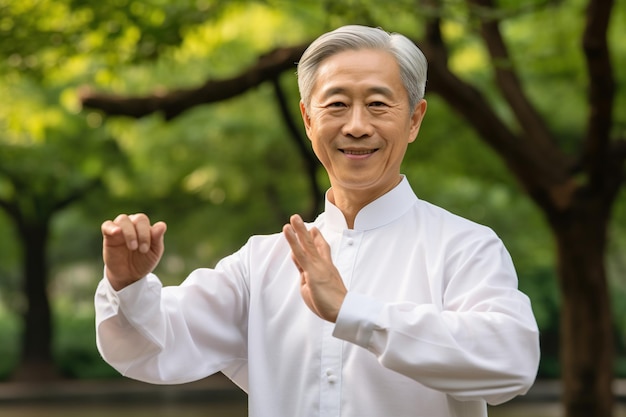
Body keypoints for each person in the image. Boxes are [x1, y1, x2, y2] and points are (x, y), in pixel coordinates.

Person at [95, 25, 540, 417]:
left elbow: (511, 361)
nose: (357, 125)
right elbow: (153, 347)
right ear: (309, 119)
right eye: (337, 104)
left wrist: (354, 313)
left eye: (379, 104)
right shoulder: (262, 262)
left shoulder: (463, 246)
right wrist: (127, 285)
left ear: (414, 119)